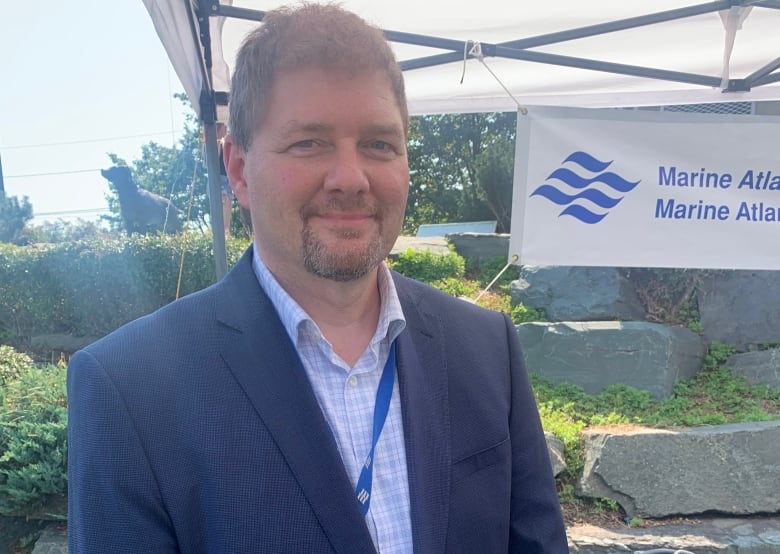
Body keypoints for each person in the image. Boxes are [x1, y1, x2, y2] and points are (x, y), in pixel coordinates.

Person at [67, 4, 568, 553]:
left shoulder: (486, 347)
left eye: (379, 143)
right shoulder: (129, 388)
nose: (351, 179)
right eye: (309, 142)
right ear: (238, 169)